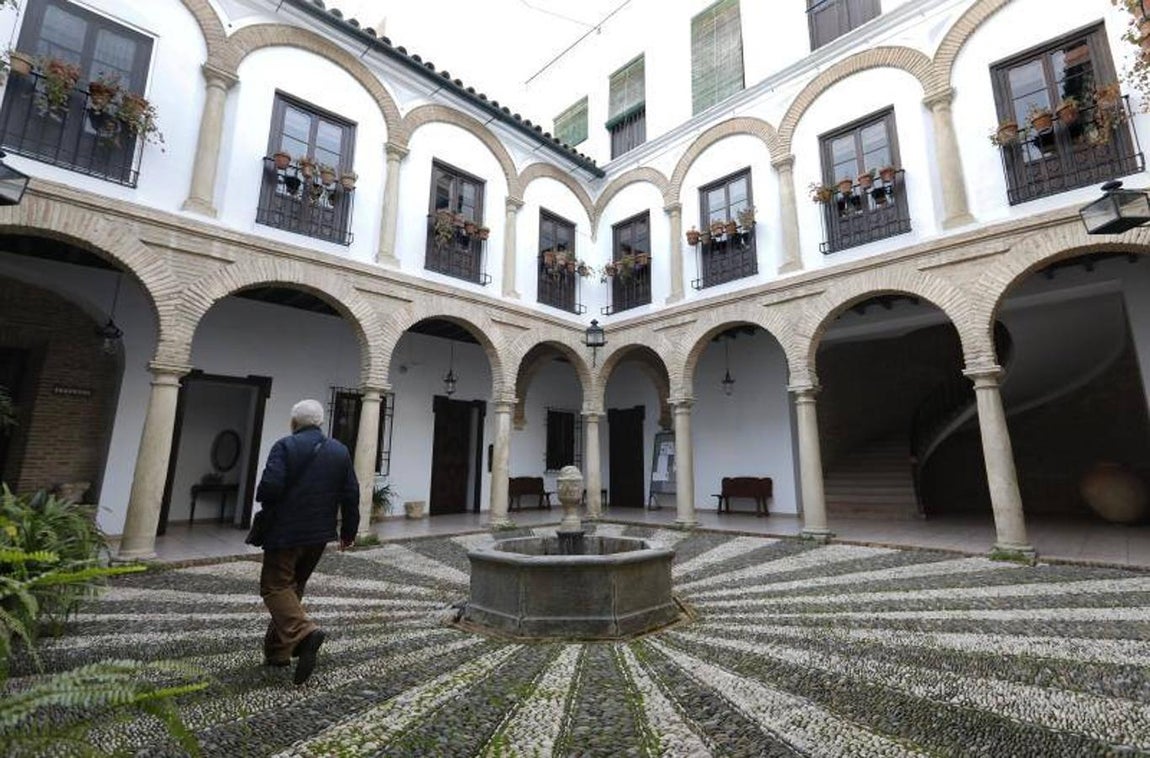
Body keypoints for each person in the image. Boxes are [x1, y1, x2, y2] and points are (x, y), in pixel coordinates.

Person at [255, 398, 359, 685]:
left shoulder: (285, 446)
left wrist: (267, 495)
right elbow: (351, 494)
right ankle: (278, 652)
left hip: (286, 531)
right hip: (319, 534)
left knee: (275, 586)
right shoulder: (339, 451)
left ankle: (304, 632)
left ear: (294, 422)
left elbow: (269, 488)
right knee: (293, 587)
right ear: (321, 422)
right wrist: (349, 531)